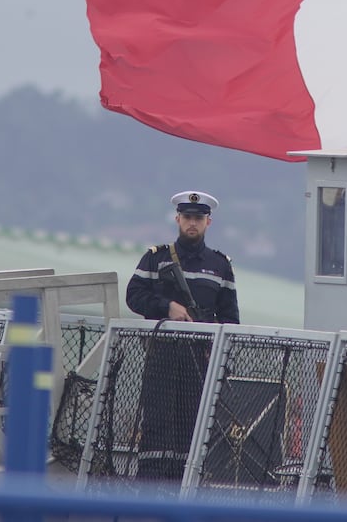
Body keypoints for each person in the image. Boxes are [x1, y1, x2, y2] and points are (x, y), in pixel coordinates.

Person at [126, 191, 238, 481]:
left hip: (199, 358)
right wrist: (167, 307)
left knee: (193, 422)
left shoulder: (220, 265)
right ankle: (150, 485)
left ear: (208, 222)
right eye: (187, 217)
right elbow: (134, 296)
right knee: (157, 420)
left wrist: (218, 351)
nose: (192, 223)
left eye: (198, 218)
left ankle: (185, 483)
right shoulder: (156, 258)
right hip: (162, 353)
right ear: (177, 219)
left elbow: (230, 317)